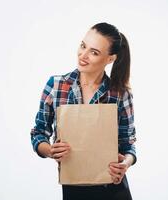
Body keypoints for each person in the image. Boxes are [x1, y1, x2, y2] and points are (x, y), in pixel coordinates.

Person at [30, 22, 137, 200]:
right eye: (83, 46)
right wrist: (50, 151)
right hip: (73, 189)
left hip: (113, 188)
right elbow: (38, 133)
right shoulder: (56, 86)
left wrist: (125, 163)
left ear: (110, 59)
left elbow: (129, 144)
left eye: (94, 52)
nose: (83, 55)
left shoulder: (120, 94)